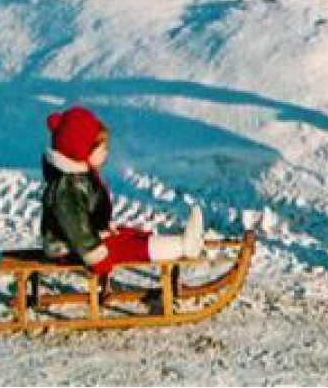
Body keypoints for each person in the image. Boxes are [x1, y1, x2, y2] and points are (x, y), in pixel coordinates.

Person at [40, 105, 205, 274]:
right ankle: (183, 246)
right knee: (126, 248)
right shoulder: (67, 187)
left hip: (80, 243)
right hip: (69, 249)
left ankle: (172, 240)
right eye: (102, 148)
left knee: (127, 235)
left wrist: (102, 225)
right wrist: (96, 257)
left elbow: (86, 214)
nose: (106, 153)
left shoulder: (80, 178)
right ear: (82, 151)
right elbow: (76, 229)